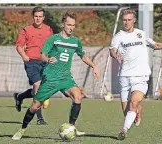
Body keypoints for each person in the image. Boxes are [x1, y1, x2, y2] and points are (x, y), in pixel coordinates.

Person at [12, 11, 100, 140]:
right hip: (50, 79)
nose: (71, 27)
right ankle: (22, 129)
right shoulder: (54, 39)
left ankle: (71, 127)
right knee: (35, 106)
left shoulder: (75, 41)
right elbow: (42, 54)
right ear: (63, 24)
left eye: (73, 25)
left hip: (65, 78)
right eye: (69, 25)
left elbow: (83, 56)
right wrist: (47, 59)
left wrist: (94, 66)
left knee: (77, 96)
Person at [109, 8, 162, 140]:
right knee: (127, 113)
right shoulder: (118, 36)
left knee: (134, 102)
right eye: (124, 20)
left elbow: (156, 45)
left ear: (134, 20)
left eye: (129, 20)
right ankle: (138, 110)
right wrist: (116, 54)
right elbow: (112, 51)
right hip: (124, 77)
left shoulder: (141, 34)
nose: (126, 22)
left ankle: (123, 130)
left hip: (141, 76)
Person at [14, 6, 53, 125]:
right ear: (33, 17)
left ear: (43, 17)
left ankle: (20, 97)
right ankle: (39, 118)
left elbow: (52, 45)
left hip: (44, 62)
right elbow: (19, 46)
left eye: (40, 17)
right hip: (31, 62)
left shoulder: (48, 29)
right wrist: (23, 56)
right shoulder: (26, 30)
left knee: (39, 89)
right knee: (37, 85)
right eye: (36, 16)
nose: (38, 19)